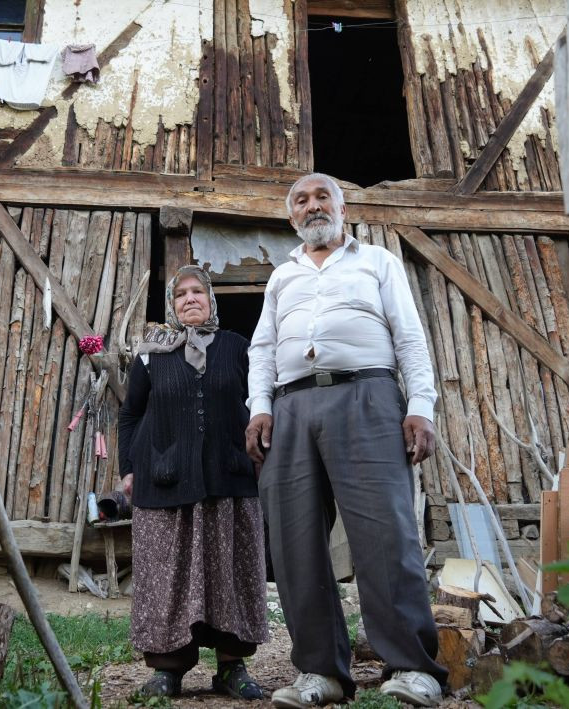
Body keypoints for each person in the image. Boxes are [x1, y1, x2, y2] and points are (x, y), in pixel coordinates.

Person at [246, 173, 449, 708]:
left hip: (367, 399)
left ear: (343, 206)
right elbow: (262, 348)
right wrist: (260, 407)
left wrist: (420, 406)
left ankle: (411, 666)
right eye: (301, 201)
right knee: (295, 544)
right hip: (289, 409)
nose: (312, 207)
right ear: (291, 217)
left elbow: (409, 335)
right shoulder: (280, 276)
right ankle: (322, 673)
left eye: (322, 197)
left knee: (386, 534)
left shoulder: (377, 261)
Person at [117, 265, 269, 699]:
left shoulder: (238, 348)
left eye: (197, 291)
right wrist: (128, 467)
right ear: (172, 304)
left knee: (229, 573)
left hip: (229, 477)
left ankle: (231, 666)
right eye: (180, 293)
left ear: (210, 299)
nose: (189, 299)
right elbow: (130, 415)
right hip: (164, 479)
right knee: (168, 578)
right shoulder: (152, 354)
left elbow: (259, 401)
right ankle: (168, 669)